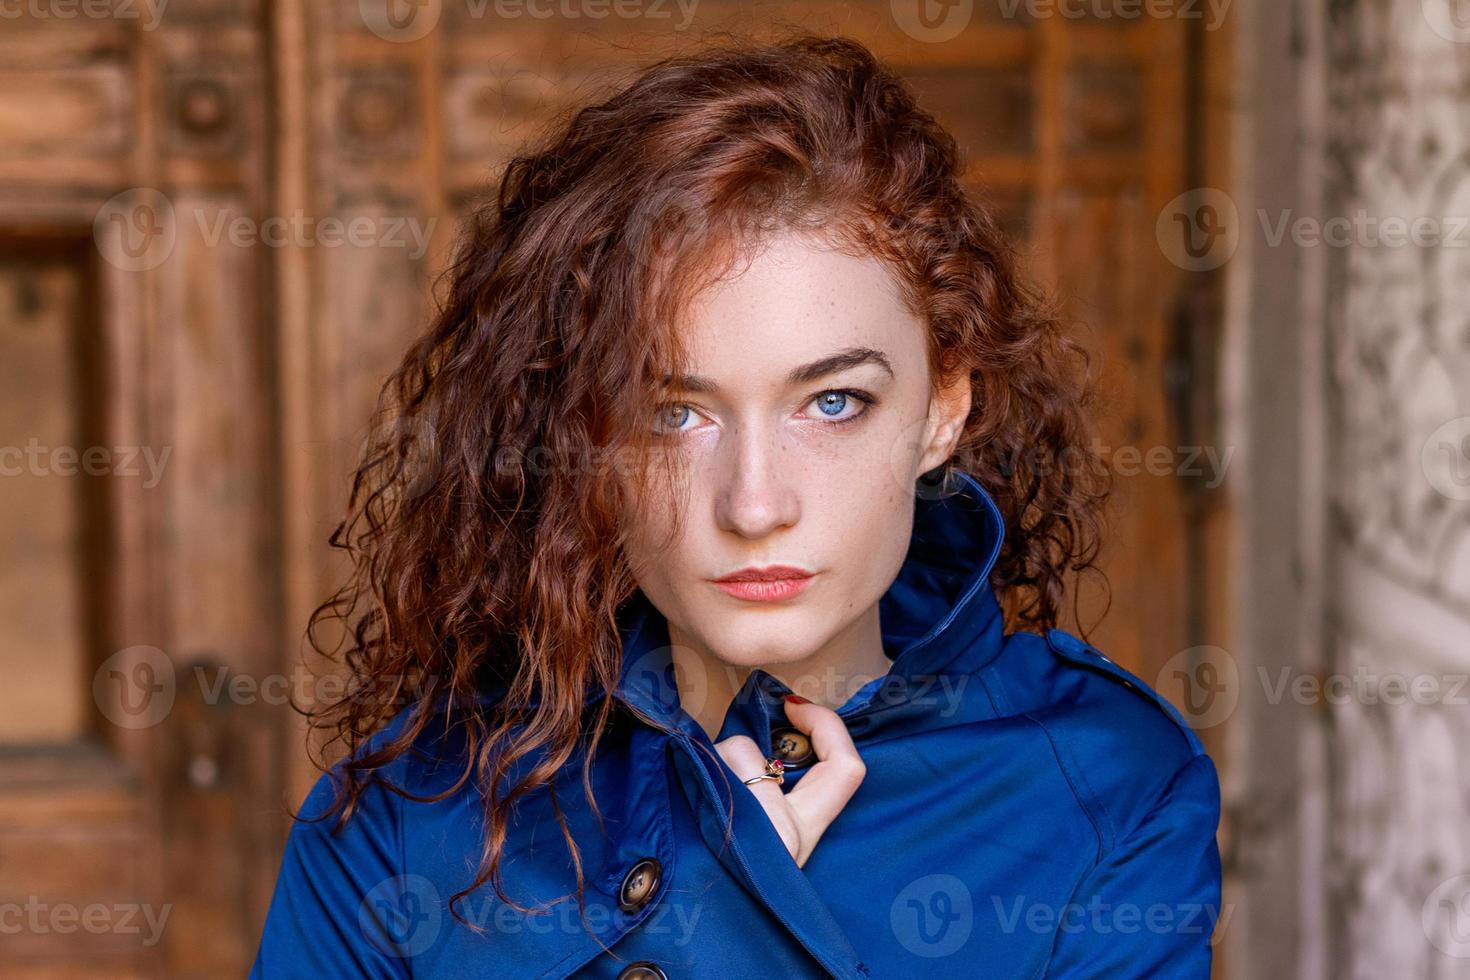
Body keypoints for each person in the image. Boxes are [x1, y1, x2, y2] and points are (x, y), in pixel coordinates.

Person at [250, 33, 1222, 979]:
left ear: (943, 407)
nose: (755, 502)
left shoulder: (1110, 789)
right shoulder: (404, 819)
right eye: (673, 412)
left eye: (833, 402)